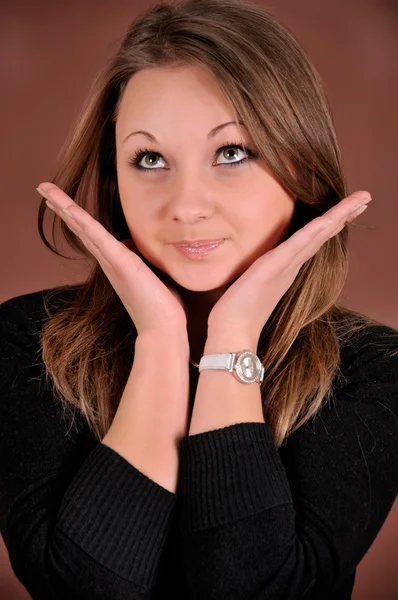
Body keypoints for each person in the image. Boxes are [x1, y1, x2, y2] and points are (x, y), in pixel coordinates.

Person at [1, 0, 397, 598]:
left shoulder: (375, 369)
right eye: (150, 159)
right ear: (115, 179)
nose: (187, 205)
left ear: (302, 165)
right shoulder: (25, 340)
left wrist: (231, 340)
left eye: (231, 153)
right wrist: (160, 341)